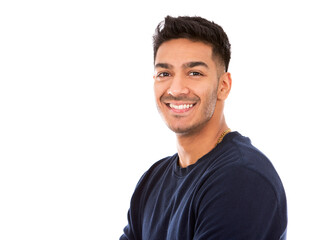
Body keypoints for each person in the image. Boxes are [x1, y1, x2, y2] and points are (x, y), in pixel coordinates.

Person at [120, 16, 287, 240]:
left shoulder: (241, 178)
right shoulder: (152, 181)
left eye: (195, 73)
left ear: (223, 86)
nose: (176, 89)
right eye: (164, 74)